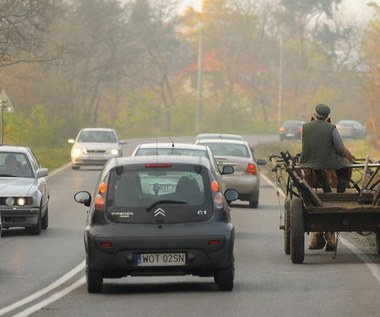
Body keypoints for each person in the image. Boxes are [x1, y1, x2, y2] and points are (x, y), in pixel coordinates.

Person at [300, 104, 351, 251]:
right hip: (329, 162)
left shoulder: (305, 127)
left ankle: (325, 189)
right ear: (327, 117)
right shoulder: (331, 128)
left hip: (309, 162)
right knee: (346, 166)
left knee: (315, 171)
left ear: (313, 114)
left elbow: (305, 146)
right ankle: (340, 192)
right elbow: (340, 149)